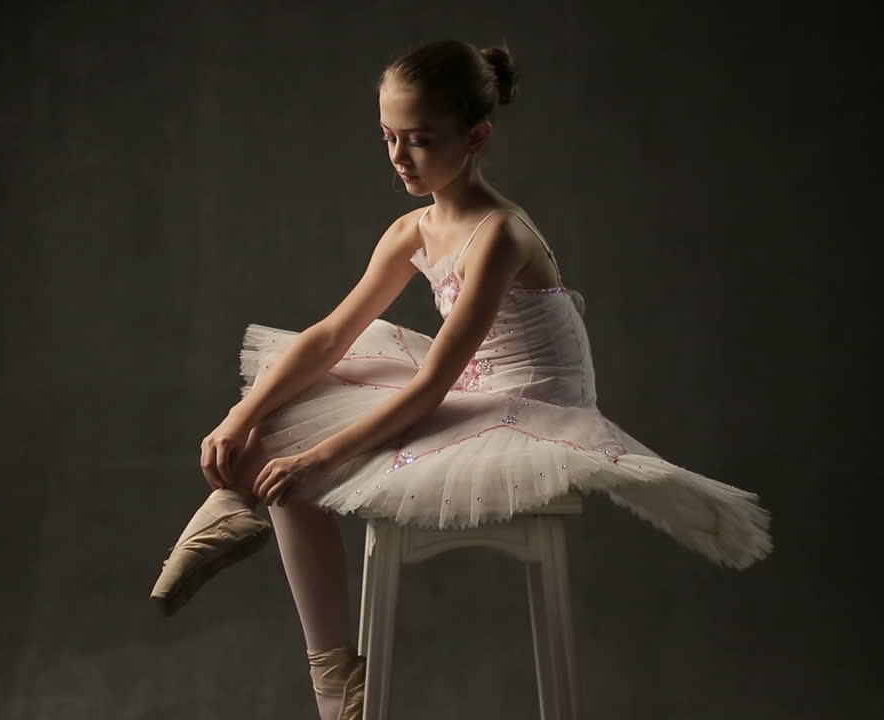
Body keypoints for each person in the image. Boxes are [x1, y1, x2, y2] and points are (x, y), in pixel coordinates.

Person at [149, 38, 773, 720]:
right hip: (471, 380)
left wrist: (321, 454)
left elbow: (434, 382)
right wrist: (236, 420)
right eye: (388, 137)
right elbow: (332, 335)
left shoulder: (500, 235)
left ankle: (330, 677)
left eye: (419, 140)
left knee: (307, 456)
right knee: (293, 390)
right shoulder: (411, 229)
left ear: (476, 136)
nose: (398, 157)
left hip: (527, 399)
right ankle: (304, 619)